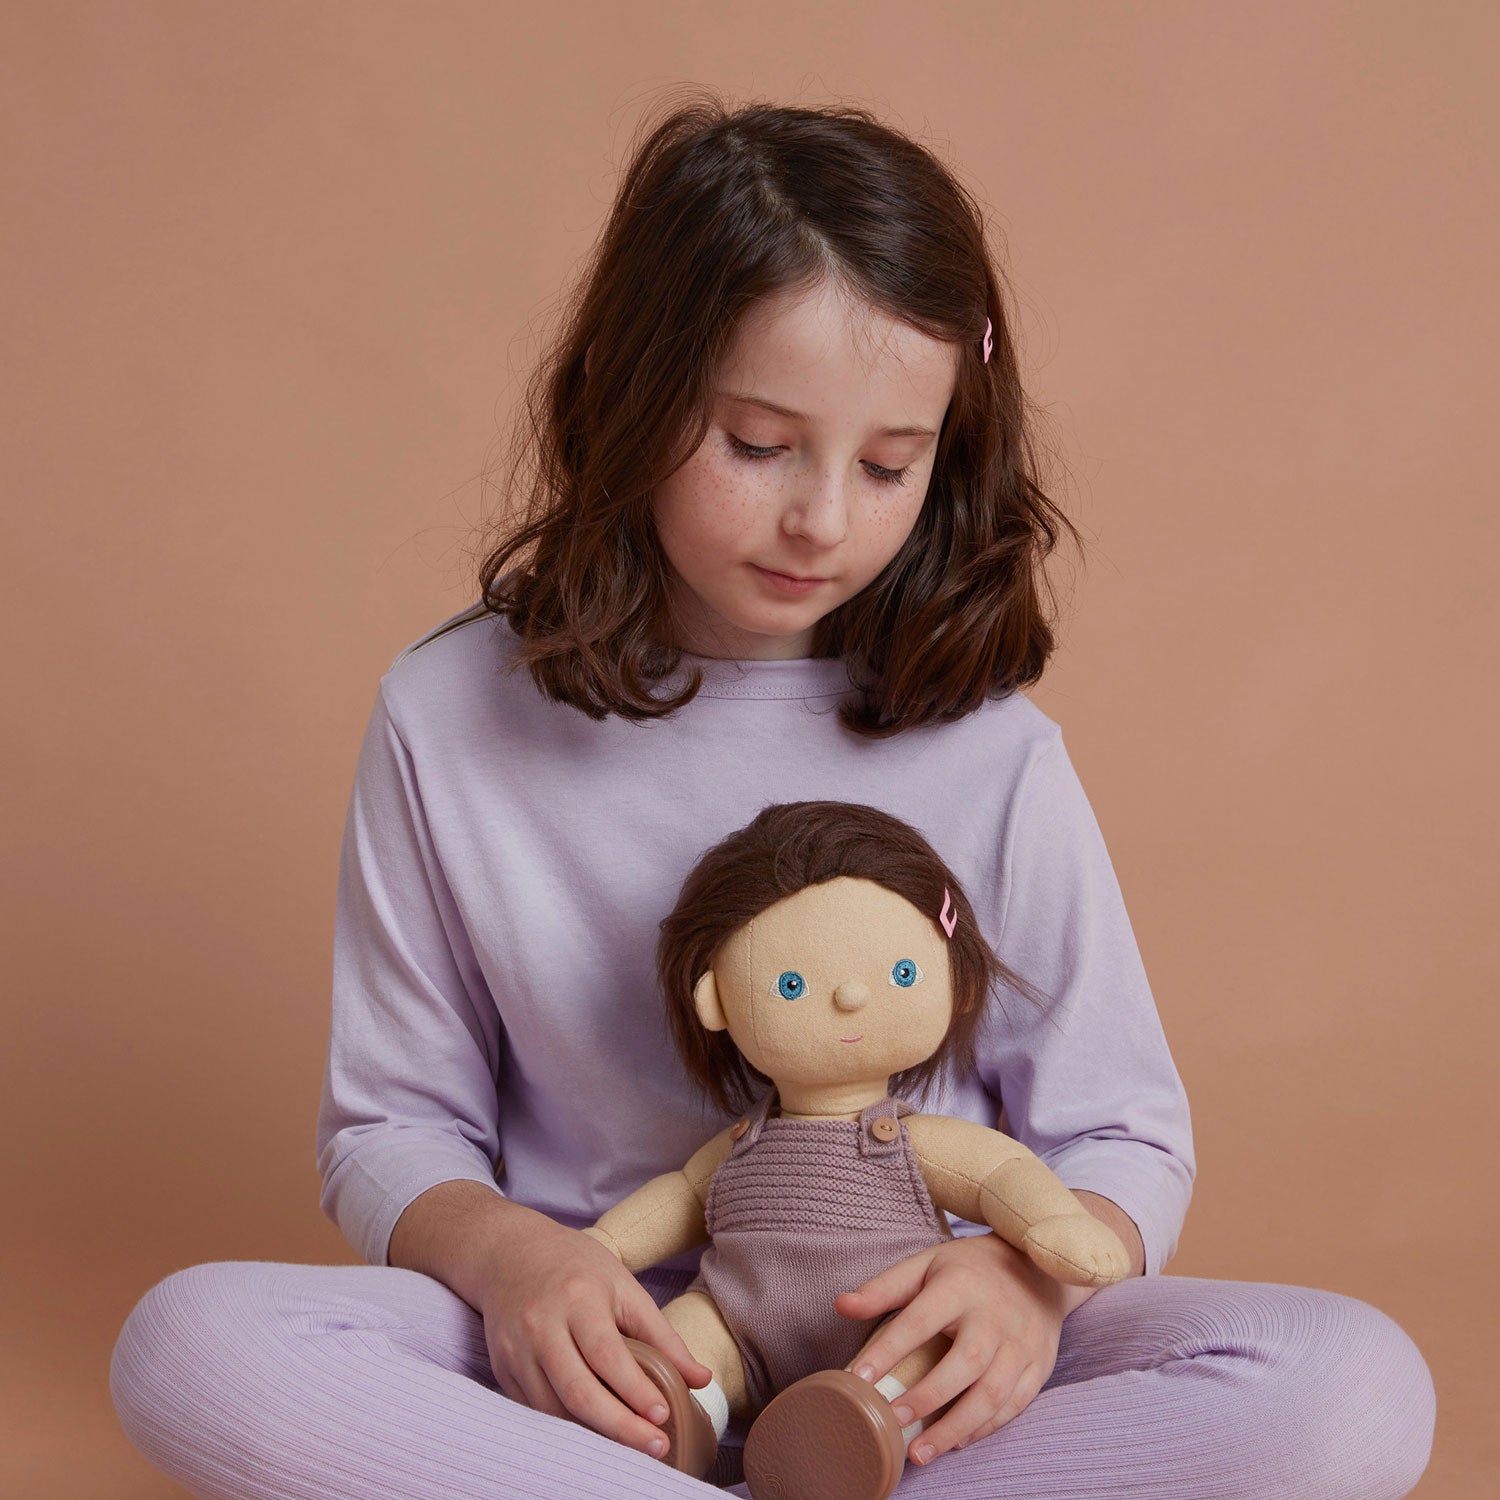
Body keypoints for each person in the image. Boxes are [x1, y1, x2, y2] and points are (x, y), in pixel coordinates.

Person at [109, 96, 1435, 1500]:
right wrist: (513, 1264)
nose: (823, 521)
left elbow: (1120, 1130)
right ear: (633, 388)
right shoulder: (447, 716)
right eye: (757, 445)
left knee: (1347, 1386)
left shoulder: (988, 745)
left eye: (887, 467)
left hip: (918, 1383)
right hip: (588, 1376)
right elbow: (390, 1125)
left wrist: (1022, 1291)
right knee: (190, 1344)